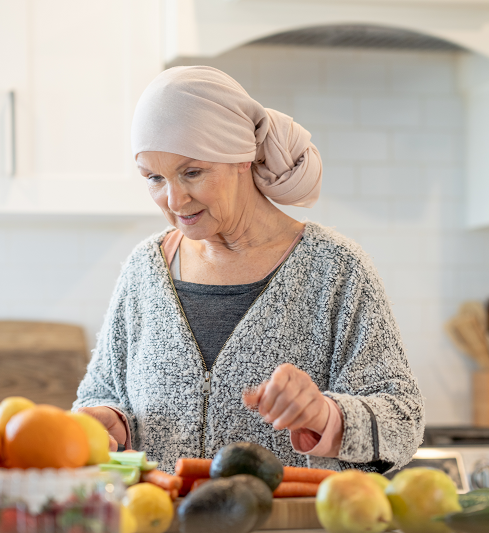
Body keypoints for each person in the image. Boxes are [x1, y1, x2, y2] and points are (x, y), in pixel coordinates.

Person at [73, 66, 424, 474]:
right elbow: (102, 394)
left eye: (192, 172)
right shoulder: (146, 269)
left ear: (241, 157)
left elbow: (404, 421)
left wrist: (327, 415)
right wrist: (110, 422)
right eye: (154, 177)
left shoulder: (335, 269)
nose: (173, 199)